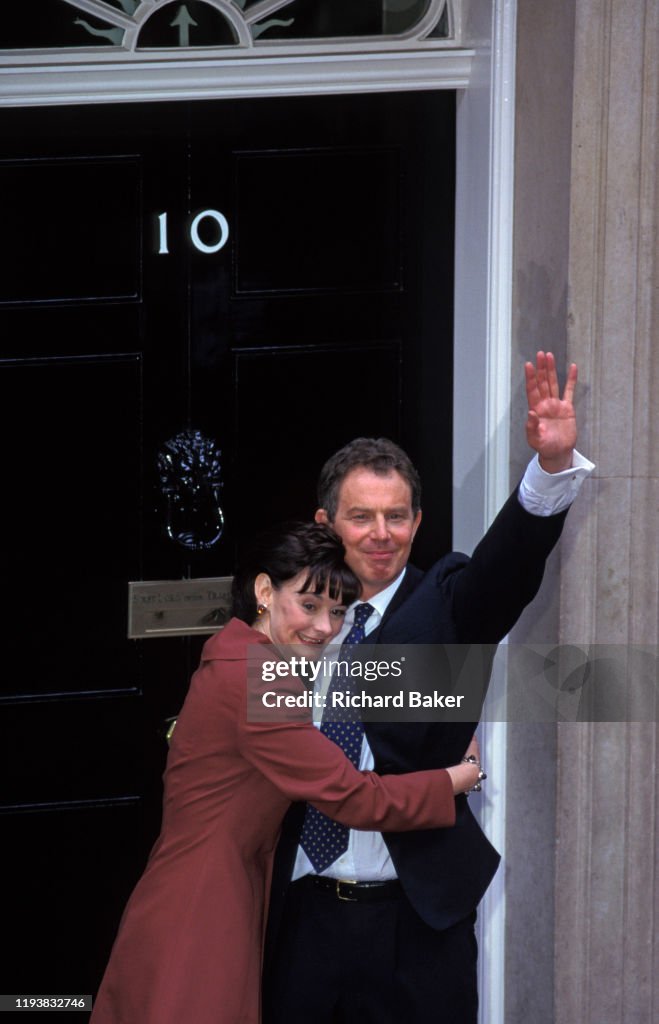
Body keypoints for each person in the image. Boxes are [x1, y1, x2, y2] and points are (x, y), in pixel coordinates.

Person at [264, 352, 595, 1023]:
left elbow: (503, 571)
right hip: (301, 918)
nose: (381, 535)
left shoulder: (447, 605)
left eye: (398, 516)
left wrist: (550, 471)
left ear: (417, 521)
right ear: (327, 525)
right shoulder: (290, 618)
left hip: (415, 927)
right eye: (361, 517)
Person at [90, 523, 484, 1024]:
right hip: (204, 905)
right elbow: (354, 798)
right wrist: (461, 775)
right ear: (263, 591)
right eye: (309, 604)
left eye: (338, 611)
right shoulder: (261, 679)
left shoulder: (238, 655)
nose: (324, 626)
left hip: (204, 887)